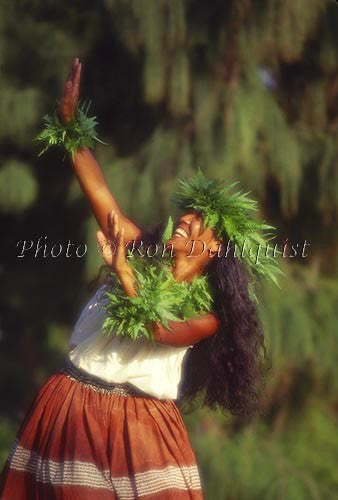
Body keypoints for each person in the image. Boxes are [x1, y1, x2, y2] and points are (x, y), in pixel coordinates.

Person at [0, 59, 270, 499]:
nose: (186, 220)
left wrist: (123, 271)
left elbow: (161, 330)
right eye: (188, 211)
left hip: (142, 426)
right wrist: (69, 127)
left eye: (202, 221)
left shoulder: (208, 316)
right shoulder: (141, 248)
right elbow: (100, 191)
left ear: (217, 248)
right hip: (73, 404)